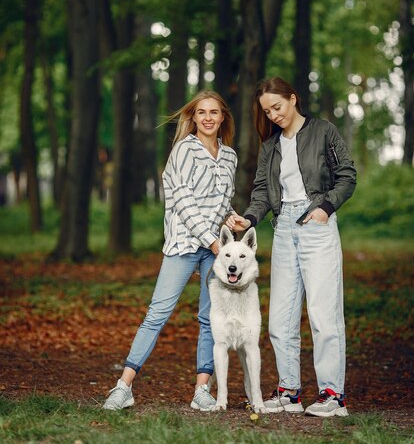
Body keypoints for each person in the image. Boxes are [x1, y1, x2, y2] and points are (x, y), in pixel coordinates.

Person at [227, 77, 356, 418]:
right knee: (279, 320)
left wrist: (325, 208)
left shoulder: (324, 131)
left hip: (317, 226)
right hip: (284, 230)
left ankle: (333, 396)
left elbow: (347, 175)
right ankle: (289, 392)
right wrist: (249, 220)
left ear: (293, 99)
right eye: (267, 111)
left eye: (278, 107)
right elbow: (260, 193)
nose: (273, 115)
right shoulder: (270, 145)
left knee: (324, 316)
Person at [103, 90, 237, 411]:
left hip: (215, 248)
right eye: (201, 112)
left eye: (214, 112)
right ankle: (124, 386)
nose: (207, 117)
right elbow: (184, 203)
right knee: (157, 314)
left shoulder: (229, 156)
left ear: (222, 118)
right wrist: (214, 241)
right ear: (193, 117)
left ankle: (202, 391)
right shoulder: (183, 151)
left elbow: (221, 201)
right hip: (184, 243)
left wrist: (231, 217)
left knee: (209, 319)